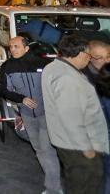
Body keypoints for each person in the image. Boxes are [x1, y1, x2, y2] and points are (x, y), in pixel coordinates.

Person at [42, 35, 108, 194]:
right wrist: (85, 148)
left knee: (77, 182)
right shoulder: (67, 78)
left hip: (65, 140)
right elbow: (71, 118)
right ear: (79, 54)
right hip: (76, 146)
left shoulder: (54, 67)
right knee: (86, 184)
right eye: (88, 55)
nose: (89, 59)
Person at [0, 36, 62, 194]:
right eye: (11, 46)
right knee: (39, 149)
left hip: (46, 114)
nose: (12, 49)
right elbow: (4, 90)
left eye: (16, 46)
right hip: (27, 115)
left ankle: (54, 188)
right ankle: (53, 179)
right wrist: (21, 99)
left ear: (26, 48)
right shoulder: (7, 67)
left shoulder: (43, 64)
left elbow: (56, 86)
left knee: (47, 150)